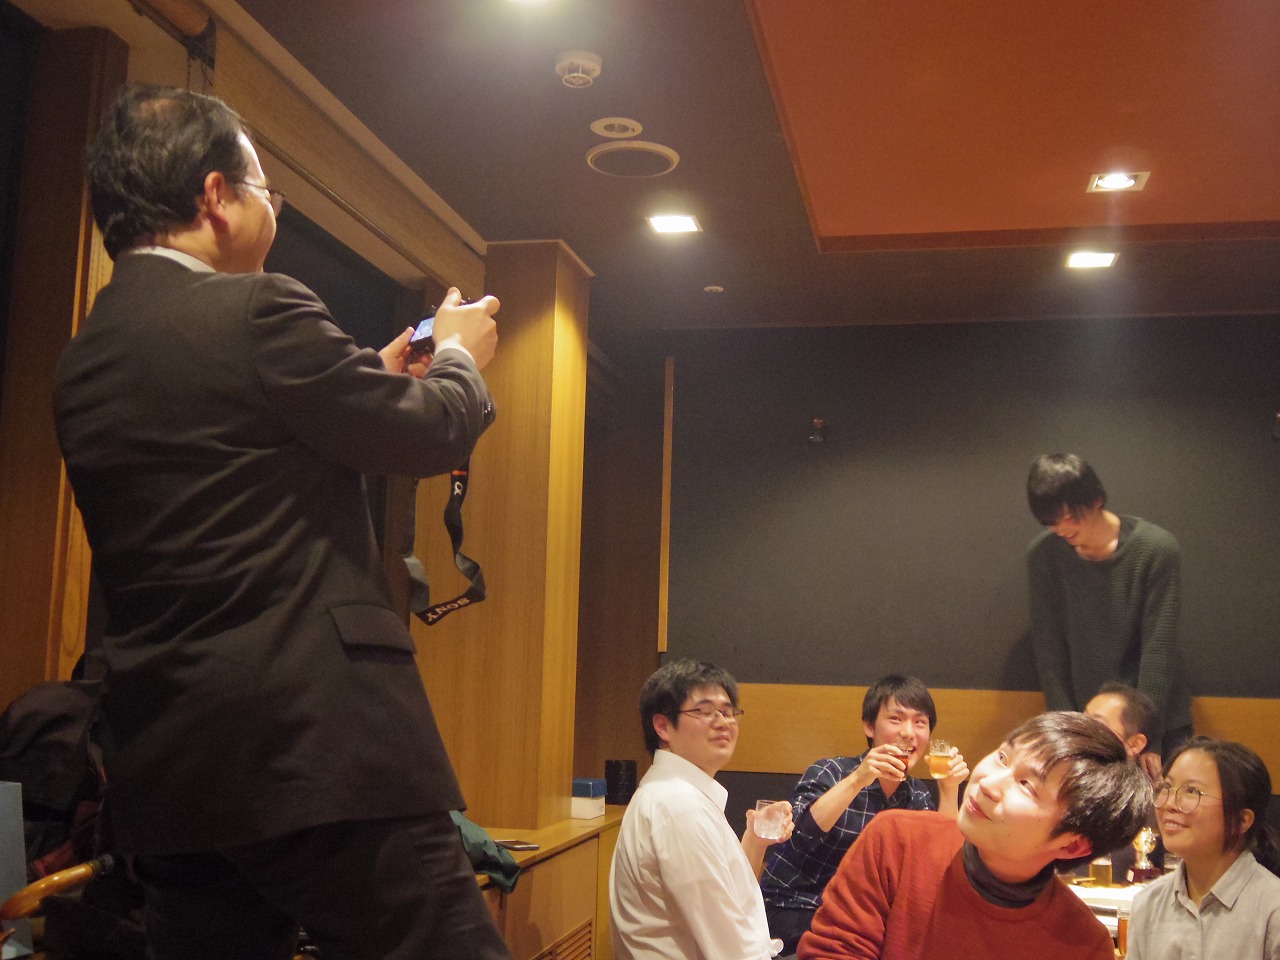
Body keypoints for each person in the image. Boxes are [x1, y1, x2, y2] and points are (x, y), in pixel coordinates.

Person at [53, 84, 506, 960]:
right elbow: (430, 432)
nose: (275, 210)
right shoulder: (257, 309)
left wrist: (363, 379)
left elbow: (235, 468)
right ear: (214, 197)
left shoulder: (84, 361)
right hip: (316, 748)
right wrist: (458, 358)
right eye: (266, 190)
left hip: (172, 767)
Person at [799, 712, 1152, 960]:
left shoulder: (1083, 945)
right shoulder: (896, 841)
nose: (988, 783)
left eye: (1027, 786)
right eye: (1003, 757)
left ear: (1072, 844)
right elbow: (831, 952)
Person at [761, 675, 968, 954]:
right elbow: (798, 836)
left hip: (866, 923)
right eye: (896, 719)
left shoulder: (916, 795)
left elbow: (938, 867)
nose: (909, 732)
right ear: (869, 726)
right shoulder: (831, 772)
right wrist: (859, 779)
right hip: (796, 910)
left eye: (920, 722)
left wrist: (949, 790)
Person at [610, 659, 792, 960]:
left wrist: (755, 840)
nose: (723, 722)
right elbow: (732, 951)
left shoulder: (677, 794)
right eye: (705, 711)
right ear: (663, 726)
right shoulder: (678, 806)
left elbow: (728, 897)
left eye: (727, 712)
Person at [1026, 453, 1193, 763]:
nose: (1061, 528)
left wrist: (1149, 739)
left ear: (1096, 501)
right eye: (1051, 521)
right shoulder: (1044, 555)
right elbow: (1050, 653)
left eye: (1070, 517)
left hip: (1156, 723)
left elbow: (1158, 649)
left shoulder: (1155, 549)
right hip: (1088, 724)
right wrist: (1067, 733)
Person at [1128, 737, 1280, 960]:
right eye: (1167, 787)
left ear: (1241, 820)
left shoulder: (1273, 909)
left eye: (1192, 791)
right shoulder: (1148, 903)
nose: (1169, 803)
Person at [1083, 682, 1163, 878]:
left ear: (1134, 744)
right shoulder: (1056, 787)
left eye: (1097, 723)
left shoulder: (1156, 805)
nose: (1081, 729)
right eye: (1082, 718)